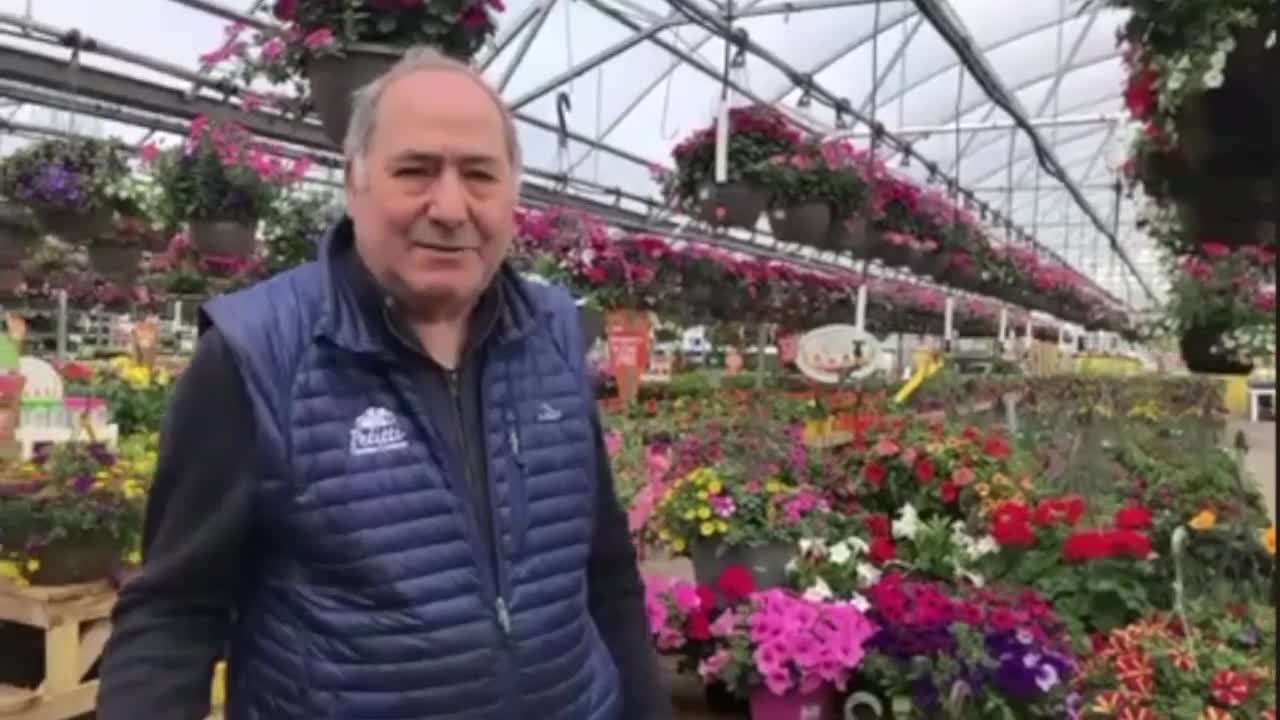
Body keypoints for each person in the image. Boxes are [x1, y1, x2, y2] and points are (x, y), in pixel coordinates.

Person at [97, 47, 667, 720]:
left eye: (480, 174)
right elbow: (174, 613)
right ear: (355, 181)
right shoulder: (256, 354)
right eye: (415, 170)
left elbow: (603, 574)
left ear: (514, 192)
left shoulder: (553, 335)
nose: (451, 206)